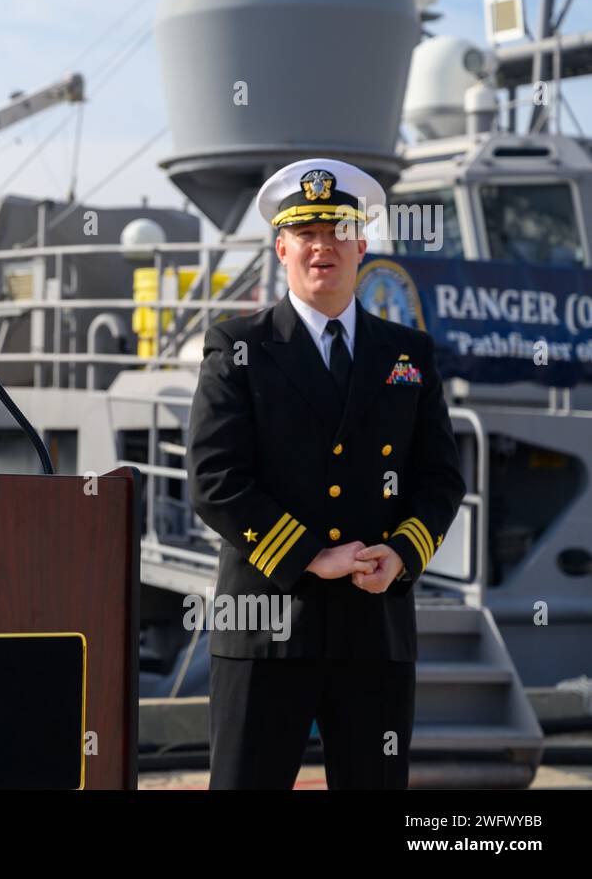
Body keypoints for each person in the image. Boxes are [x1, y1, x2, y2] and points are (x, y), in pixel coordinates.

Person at [187, 157, 465, 789]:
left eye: (337, 231)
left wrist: (402, 554)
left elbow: (441, 480)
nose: (323, 247)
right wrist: (314, 556)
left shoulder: (408, 354)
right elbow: (214, 480)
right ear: (281, 246)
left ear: (362, 245)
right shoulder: (236, 347)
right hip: (265, 626)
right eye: (306, 233)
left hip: (376, 627)